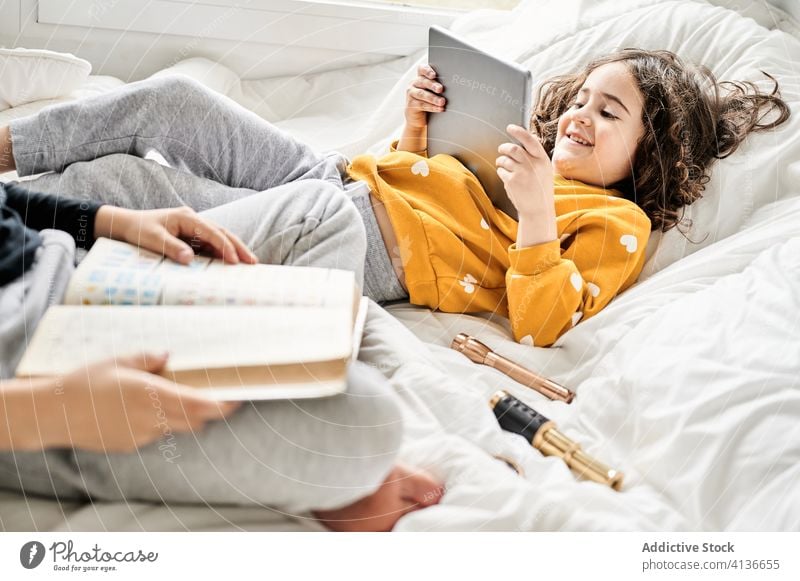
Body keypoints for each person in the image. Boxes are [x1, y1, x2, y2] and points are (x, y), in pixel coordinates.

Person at [0, 128, 442, 531]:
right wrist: (49, 411)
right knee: (365, 427)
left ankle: (294, 400)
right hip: (24, 358)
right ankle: (323, 465)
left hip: (64, 266)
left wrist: (110, 222)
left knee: (324, 211)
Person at [348, 48, 791, 346]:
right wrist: (416, 128)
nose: (579, 116)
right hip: (342, 178)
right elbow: (423, 185)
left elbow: (545, 324)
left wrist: (537, 210)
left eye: (607, 112)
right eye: (580, 102)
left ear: (650, 153)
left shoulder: (617, 219)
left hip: (369, 241)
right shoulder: (518, 153)